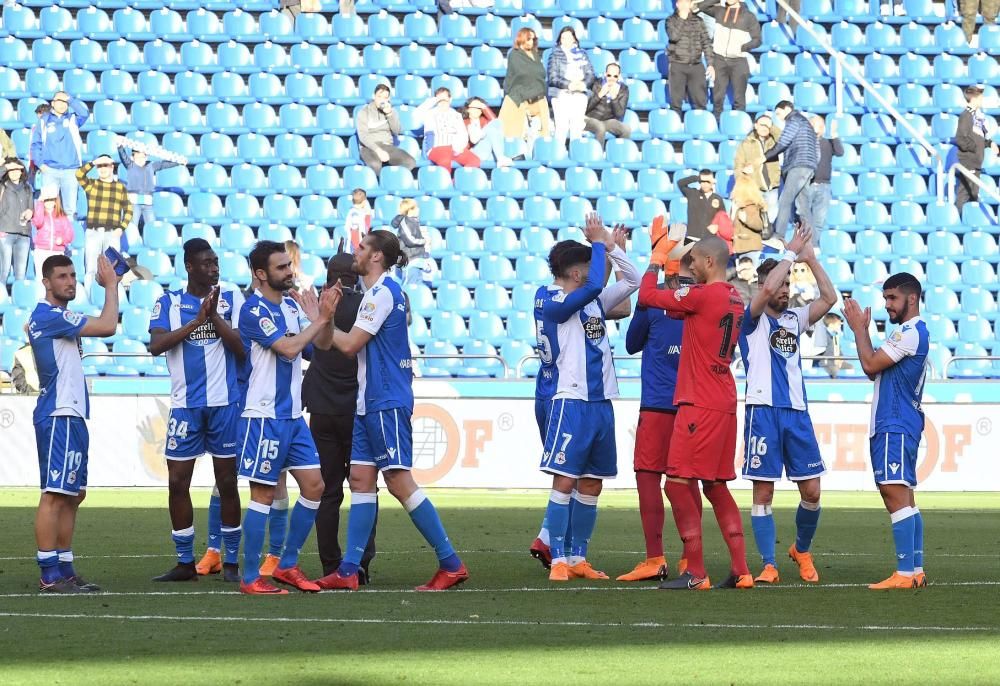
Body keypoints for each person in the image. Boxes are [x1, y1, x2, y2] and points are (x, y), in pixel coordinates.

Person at [315, 230, 469, 592]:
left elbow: (349, 344)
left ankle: (451, 563)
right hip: (369, 403)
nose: (356, 250)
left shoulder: (382, 293)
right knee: (361, 481)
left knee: (399, 482)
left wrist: (324, 322)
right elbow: (329, 344)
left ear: (377, 257)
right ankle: (349, 570)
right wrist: (321, 319)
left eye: (363, 246)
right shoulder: (378, 293)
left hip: (385, 401)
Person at [638, 232, 752, 591]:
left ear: (708, 262)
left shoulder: (703, 295)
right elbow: (675, 308)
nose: (690, 267)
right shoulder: (735, 298)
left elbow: (646, 297)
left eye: (694, 261)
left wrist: (656, 261)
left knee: (675, 483)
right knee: (716, 486)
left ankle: (696, 571)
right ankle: (741, 570)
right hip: (725, 400)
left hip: (698, 402)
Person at [532, 215, 639, 583]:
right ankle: (558, 557)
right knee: (564, 480)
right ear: (576, 273)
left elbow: (634, 281)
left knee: (592, 482)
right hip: (570, 400)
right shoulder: (549, 298)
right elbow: (597, 282)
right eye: (589, 266)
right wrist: (598, 243)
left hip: (601, 403)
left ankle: (578, 557)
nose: (595, 272)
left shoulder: (591, 302)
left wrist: (611, 246)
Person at [236, 240, 339, 594]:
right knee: (263, 496)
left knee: (315, 486)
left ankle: (287, 564)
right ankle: (250, 577)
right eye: (281, 267)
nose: (289, 271)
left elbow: (320, 347)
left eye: (289, 265)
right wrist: (320, 319)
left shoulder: (293, 310)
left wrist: (322, 318)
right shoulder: (253, 311)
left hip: (293, 417)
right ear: (260, 274)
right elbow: (288, 348)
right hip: (264, 417)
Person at [737, 228, 838, 585]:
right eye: (779, 284)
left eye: (786, 285)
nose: (783, 289)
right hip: (762, 413)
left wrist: (809, 258)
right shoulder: (750, 319)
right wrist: (790, 255)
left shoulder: (796, 318)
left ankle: (801, 549)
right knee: (763, 491)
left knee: (811, 490)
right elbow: (764, 290)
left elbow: (830, 297)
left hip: (796, 413)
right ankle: (768, 563)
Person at [147, 239, 245, 583]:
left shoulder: (231, 297)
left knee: (228, 482)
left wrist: (214, 317)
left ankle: (230, 561)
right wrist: (195, 322)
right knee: (177, 481)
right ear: (189, 266)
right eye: (206, 263)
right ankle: (185, 562)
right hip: (186, 406)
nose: (214, 268)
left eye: (216, 262)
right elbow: (156, 346)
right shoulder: (169, 302)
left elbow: (242, 348)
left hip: (224, 404)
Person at [29, 253, 121, 592]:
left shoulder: (57, 318)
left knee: (73, 494)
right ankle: (49, 574)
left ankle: (65, 569)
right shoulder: (49, 315)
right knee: (54, 494)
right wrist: (112, 285)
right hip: (58, 413)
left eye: (72, 275)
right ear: (47, 282)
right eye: (62, 276)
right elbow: (109, 325)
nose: (70, 281)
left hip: (72, 414)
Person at [843, 273, 930, 590]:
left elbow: (868, 364)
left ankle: (905, 573)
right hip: (899, 421)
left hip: (895, 422)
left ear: (911, 298)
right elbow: (875, 369)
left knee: (894, 492)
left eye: (892, 298)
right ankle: (915, 569)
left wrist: (858, 330)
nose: (887, 304)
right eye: (885, 298)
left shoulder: (909, 333)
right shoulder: (906, 333)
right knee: (905, 495)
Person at [616, 252, 693, 582]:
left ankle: (654, 558)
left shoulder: (652, 299)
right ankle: (691, 559)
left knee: (648, 475)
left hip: (658, 403)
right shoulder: (709, 299)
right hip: (693, 405)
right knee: (686, 481)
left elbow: (632, 343)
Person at [303, 254, 378, 582]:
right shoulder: (369, 305)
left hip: (321, 407)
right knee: (365, 489)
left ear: (329, 275)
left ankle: (329, 564)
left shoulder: (317, 307)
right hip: (357, 410)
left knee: (328, 490)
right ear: (355, 274)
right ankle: (360, 562)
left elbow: (306, 349)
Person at [116, 137, 186, 252]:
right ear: (133, 157)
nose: (140, 158)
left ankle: (152, 244)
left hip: (148, 203)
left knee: (151, 224)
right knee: (132, 225)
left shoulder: (151, 166)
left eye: (142, 156)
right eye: (137, 156)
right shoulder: (130, 165)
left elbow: (165, 164)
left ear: (146, 157)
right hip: (134, 203)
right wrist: (120, 147)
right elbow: (123, 157)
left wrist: (178, 162)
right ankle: (132, 245)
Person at [694, 0, 761, 118]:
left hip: (738, 61)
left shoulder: (748, 16)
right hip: (719, 60)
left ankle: (738, 124)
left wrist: (743, 47)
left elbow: (757, 40)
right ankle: (718, 123)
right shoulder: (720, 11)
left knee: (739, 98)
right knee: (718, 97)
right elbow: (701, 6)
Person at [30, 91, 90, 221]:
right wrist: (40, 164)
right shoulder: (43, 121)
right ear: (52, 103)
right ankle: (48, 239)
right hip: (50, 170)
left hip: (71, 170)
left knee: (70, 209)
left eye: (65, 102)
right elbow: (35, 145)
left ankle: (69, 240)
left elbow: (85, 113)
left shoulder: (73, 119)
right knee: (49, 207)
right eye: (59, 101)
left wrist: (71, 99)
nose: (63, 104)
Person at [764, 100, 818, 241]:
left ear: (787, 108)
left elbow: (783, 142)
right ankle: (812, 242)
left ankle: (779, 235)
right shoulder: (805, 123)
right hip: (808, 165)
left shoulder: (794, 120)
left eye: (779, 113)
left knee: (785, 200)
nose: (778, 116)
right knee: (803, 205)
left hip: (798, 164)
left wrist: (765, 157)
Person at [76, 155, 133, 276]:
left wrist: (121, 228)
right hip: (93, 232)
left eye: (105, 165)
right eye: (100, 166)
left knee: (113, 270)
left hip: (112, 233)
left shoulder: (120, 187)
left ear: (112, 167)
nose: (102, 168)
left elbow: (129, 210)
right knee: (91, 269)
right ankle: (90, 293)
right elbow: (79, 175)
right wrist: (93, 162)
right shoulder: (91, 184)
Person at [498, 28, 551, 156]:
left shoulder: (536, 55)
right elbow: (522, 74)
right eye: (529, 38)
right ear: (521, 38)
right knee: (516, 131)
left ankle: (534, 157)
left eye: (534, 39)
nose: (531, 41)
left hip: (538, 98)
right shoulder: (514, 54)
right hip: (520, 97)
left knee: (539, 132)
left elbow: (541, 74)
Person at [547, 27, 596, 146]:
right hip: (562, 94)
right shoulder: (555, 54)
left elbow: (590, 74)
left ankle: (576, 155)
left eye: (568, 37)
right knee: (561, 127)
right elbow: (553, 77)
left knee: (577, 128)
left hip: (580, 93)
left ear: (574, 38)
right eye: (563, 38)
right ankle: (557, 155)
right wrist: (570, 85)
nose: (566, 40)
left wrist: (583, 84)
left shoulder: (583, 54)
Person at [356, 84, 416, 176]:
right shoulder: (364, 112)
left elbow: (397, 131)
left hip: (387, 146)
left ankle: (393, 183)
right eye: (379, 97)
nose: (382, 100)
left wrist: (389, 115)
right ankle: (379, 186)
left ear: (388, 99)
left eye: (385, 97)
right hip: (369, 147)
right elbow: (363, 136)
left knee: (410, 162)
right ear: (374, 96)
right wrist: (378, 150)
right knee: (375, 164)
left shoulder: (392, 112)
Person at [955, 85, 998, 213]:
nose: (982, 100)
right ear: (974, 99)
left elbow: (978, 137)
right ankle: (960, 220)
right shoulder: (966, 116)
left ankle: (971, 219)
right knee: (966, 193)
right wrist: (974, 148)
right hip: (969, 161)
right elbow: (961, 138)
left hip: (976, 161)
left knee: (973, 192)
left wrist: (990, 144)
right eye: (980, 97)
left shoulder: (976, 117)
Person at [666, 0, 714, 114]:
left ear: (691, 5)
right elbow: (673, 37)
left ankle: (700, 127)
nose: (684, 6)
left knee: (700, 102)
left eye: (686, 3)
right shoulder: (670, 20)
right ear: (677, 5)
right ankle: (676, 126)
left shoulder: (698, 21)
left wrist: (710, 64)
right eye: (681, 3)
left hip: (696, 65)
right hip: (677, 64)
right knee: (676, 103)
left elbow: (706, 43)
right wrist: (682, 19)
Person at [799, 116, 842, 240]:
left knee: (819, 221)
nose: (817, 130)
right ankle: (804, 246)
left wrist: (834, 135)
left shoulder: (828, 142)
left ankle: (813, 246)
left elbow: (839, 152)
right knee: (805, 219)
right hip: (807, 185)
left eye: (820, 127)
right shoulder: (804, 142)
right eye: (814, 126)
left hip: (824, 186)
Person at [734, 113, 781, 222]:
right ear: (755, 125)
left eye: (767, 125)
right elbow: (738, 164)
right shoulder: (746, 143)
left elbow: (785, 139)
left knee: (771, 217)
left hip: (771, 186)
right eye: (762, 124)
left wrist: (772, 127)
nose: (764, 128)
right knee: (754, 218)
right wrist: (742, 184)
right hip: (754, 187)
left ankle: (768, 235)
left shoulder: (774, 141)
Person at [417, 87, 478, 172]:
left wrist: (459, 147)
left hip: (454, 148)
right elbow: (416, 114)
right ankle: (446, 184)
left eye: (445, 99)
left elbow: (463, 134)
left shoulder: (456, 115)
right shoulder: (429, 114)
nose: (442, 102)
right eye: (439, 100)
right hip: (436, 148)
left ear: (450, 99)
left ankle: (456, 181)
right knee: (445, 159)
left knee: (474, 161)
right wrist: (434, 100)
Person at [0, 159, 34, 284]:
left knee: (20, 274)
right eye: (11, 170)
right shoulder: (2, 186)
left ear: (21, 172)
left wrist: (30, 212)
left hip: (23, 233)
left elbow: (31, 207)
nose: (14, 173)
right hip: (5, 232)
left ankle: (20, 300)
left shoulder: (27, 188)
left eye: (17, 170)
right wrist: (7, 166)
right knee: (4, 270)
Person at [31, 186, 74, 282]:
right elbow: (37, 222)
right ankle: (41, 297)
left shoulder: (62, 216)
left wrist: (62, 240)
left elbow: (69, 235)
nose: (49, 203)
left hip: (57, 252)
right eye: (46, 200)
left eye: (51, 200)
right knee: (41, 279)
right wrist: (39, 203)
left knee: (56, 280)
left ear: (56, 201)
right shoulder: (40, 213)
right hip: (41, 251)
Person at [583, 63, 632, 146]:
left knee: (626, 129)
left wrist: (614, 98)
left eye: (615, 76)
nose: (612, 79)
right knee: (600, 127)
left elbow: (619, 114)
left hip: (608, 121)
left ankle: (618, 155)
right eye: (609, 75)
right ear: (605, 74)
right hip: (590, 118)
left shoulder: (623, 89)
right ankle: (598, 155)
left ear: (619, 76)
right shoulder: (596, 84)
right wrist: (600, 95)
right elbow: (586, 108)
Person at [463, 97, 513, 167]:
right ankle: (501, 158)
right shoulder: (464, 122)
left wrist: (484, 107)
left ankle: (501, 158)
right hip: (473, 152)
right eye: (474, 107)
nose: (477, 110)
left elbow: (496, 122)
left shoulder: (484, 121)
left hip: (486, 152)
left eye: (479, 108)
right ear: (468, 109)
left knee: (496, 123)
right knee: (490, 130)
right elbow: (468, 142)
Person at [730, 171, 769, 262]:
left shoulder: (752, 206)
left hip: (751, 247)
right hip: (740, 247)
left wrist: (746, 219)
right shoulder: (737, 206)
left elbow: (759, 225)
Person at [678, 169, 726, 240]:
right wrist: (697, 178)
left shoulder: (718, 199)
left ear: (712, 182)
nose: (705, 184)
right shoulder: (692, 194)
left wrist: (717, 226)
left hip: (710, 239)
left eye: (708, 181)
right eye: (702, 181)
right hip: (692, 237)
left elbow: (723, 217)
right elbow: (680, 183)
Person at [391, 198, 430, 284]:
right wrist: (423, 241)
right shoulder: (405, 222)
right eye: (416, 207)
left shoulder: (414, 221)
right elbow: (410, 240)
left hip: (416, 258)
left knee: (417, 286)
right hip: (410, 260)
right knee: (409, 286)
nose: (419, 209)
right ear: (410, 210)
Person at [26, 103, 51, 187]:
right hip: (37, 163)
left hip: (49, 164)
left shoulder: (53, 128)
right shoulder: (35, 129)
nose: (39, 115)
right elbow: (32, 148)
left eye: (40, 113)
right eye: (38, 113)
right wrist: (33, 164)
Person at [344, 188, 372, 253]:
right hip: (356, 245)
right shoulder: (355, 214)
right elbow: (355, 232)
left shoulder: (361, 212)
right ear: (364, 201)